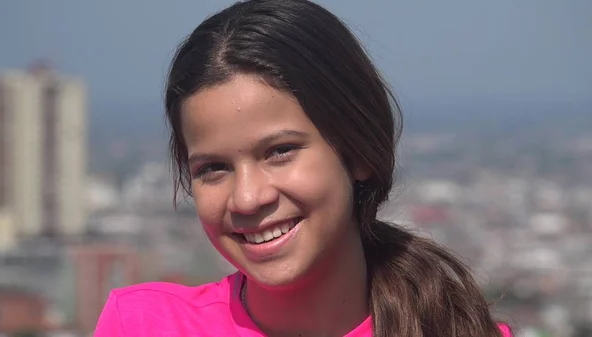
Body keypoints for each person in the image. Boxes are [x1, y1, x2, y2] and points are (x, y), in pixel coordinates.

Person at [94, 0, 512, 336]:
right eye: (214, 168)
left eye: (279, 152)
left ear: (358, 151)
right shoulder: (143, 325)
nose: (247, 197)